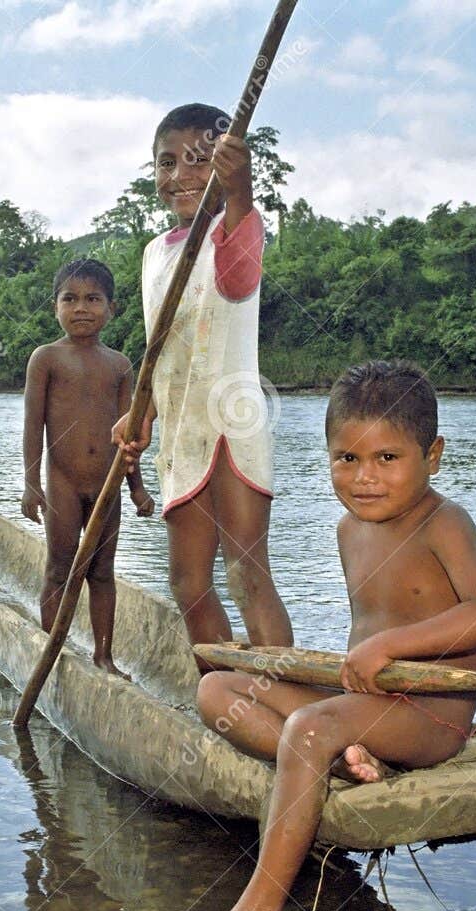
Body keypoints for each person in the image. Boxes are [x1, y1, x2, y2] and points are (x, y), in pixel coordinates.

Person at [160, 362, 476, 911]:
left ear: (433, 456)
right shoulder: (350, 529)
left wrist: (392, 647)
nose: (365, 478)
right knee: (218, 691)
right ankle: (349, 759)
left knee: (310, 730)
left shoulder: (444, 522)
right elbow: (365, 637)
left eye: (386, 458)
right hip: (371, 704)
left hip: (429, 718)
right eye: (346, 458)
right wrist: (345, 673)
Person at [112, 103, 292, 652]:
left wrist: (240, 191)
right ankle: (222, 689)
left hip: (233, 423)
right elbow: (162, 354)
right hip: (183, 434)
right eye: (167, 164)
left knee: (245, 574)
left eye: (198, 161)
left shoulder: (233, 230)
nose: (180, 176)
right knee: (188, 584)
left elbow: (236, 281)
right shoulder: (151, 256)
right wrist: (142, 414)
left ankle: (280, 697)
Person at [22, 258, 154, 675]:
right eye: (70, 299)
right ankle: (52, 653)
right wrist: (31, 484)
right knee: (59, 568)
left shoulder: (119, 365)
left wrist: (136, 487)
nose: (81, 308)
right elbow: (33, 425)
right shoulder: (46, 359)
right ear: (55, 307)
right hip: (61, 481)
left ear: (111, 309)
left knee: (101, 572)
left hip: (108, 485)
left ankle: (103, 656)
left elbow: (130, 433)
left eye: (93, 299)